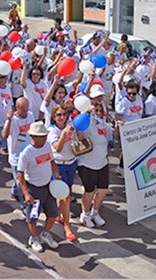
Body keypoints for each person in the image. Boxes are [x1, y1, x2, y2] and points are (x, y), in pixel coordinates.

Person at [17, 122, 61, 252]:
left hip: (48, 186)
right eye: (42, 136)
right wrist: (26, 193)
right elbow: (20, 174)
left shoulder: (47, 146)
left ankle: (45, 233)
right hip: (33, 188)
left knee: (53, 213)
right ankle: (33, 237)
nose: (45, 138)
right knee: (33, 216)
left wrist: (57, 175)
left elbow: (52, 162)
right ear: (33, 136)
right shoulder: (26, 152)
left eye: (45, 135)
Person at [78, 98, 114, 228]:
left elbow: (112, 135)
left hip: (102, 162)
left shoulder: (103, 124)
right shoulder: (87, 123)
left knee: (103, 191)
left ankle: (95, 212)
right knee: (89, 191)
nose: (97, 112)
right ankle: (85, 214)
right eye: (95, 110)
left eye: (100, 110)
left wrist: (121, 126)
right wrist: (86, 113)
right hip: (87, 164)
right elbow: (78, 125)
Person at [47, 105, 78, 242]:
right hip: (59, 165)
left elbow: (77, 142)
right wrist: (64, 135)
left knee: (63, 195)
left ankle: (60, 215)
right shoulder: (52, 131)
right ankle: (67, 227)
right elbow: (58, 149)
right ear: (54, 117)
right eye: (59, 115)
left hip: (71, 163)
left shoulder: (70, 125)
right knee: (66, 196)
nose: (62, 117)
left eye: (64, 114)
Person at [2, 97, 35, 205]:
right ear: (17, 108)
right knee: (21, 181)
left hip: (28, 153)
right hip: (16, 156)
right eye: (23, 109)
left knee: (22, 178)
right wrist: (9, 120)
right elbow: (4, 135)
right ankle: (24, 203)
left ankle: (14, 191)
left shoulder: (30, 115)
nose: (25, 112)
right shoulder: (12, 120)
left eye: (26, 109)